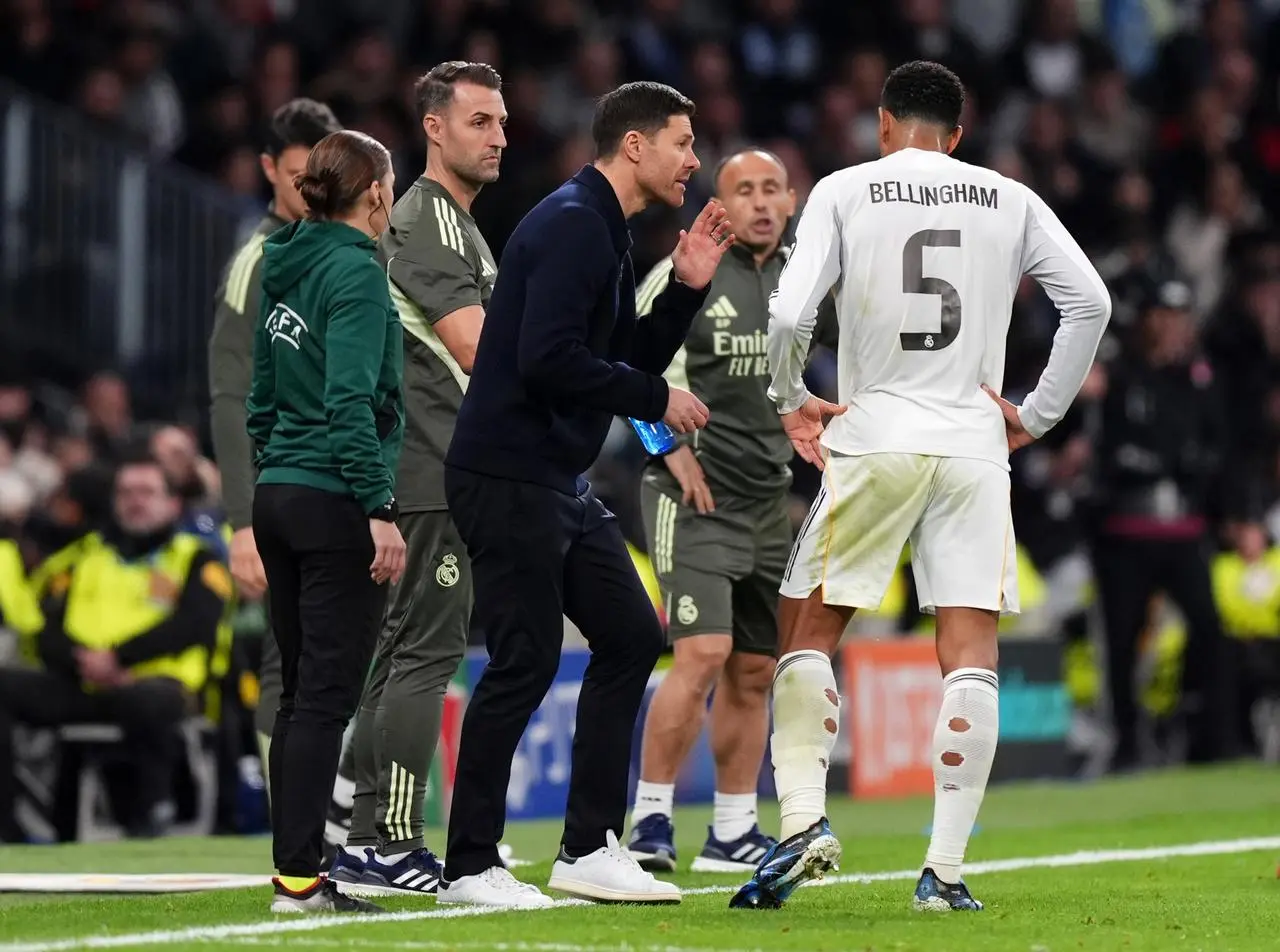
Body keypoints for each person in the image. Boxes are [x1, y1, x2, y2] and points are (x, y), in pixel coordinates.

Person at [729, 61, 1111, 912]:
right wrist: (1035, 415)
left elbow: (790, 315)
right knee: (970, 654)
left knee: (806, 628)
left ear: (883, 125)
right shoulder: (1007, 197)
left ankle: (801, 825)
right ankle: (943, 872)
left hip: (877, 435)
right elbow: (1090, 302)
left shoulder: (846, 188)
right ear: (959, 136)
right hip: (974, 445)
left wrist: (791, 398)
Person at [439, 81, 734, 909]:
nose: (693, 159)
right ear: (633, 146)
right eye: (682, 141)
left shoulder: (601, 227)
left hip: (553, 475)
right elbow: (546, 359)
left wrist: (683, 287)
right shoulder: (574, 224)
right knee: (526, 660)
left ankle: (586, 847)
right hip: (508, 472)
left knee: (633, 636)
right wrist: (657, 401)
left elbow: (621, 352)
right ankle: (468, 866)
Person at [626, 148, 834, 873]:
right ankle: (649, 820)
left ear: (792, 197)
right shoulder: (688, 268)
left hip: (767, 504)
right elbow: (624, 362)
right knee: (703, 655)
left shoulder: (802, 283)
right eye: (744, 190)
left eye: (773, 188)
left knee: (753, 670)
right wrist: (662, 447)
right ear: (718, 204)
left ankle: (733, 831)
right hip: (695, 497)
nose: (762, 202)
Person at [329, 61, 506, 900]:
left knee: (403, 652)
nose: (498, 136)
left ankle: (365, 836)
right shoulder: (428, 220)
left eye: (501, 122)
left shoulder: (459, 224)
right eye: (479, 121)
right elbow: (477, 351)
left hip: (434, 464)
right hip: (434, 467)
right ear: (433, 128)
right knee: (425, 656)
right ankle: (390, 838)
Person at [246, 129, 408, 915]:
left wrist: (276, 467)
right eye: (392, 182)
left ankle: (296, 870)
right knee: (322, 698)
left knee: (296, 695)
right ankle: (301, 881)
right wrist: (379, 506)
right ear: (374, 191)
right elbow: (351, 403)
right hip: (333, 499)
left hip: (276, 491)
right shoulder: (357, 273)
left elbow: (261, 395)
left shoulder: (282, 262)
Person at [206, 99, 360, 850]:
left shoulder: (326, 251)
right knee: (290, 661)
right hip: (298, 490)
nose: (310, 191)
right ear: (270, 170)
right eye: (299, 176)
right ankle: (296, 824)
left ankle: (316, 816)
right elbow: (235, 395)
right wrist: (240, 517)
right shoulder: (260, 261)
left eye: (322, 177)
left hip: (322, 484)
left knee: (318, 658)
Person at [0, 451, 230, 841]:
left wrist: (119, 658)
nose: (134, 500)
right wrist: (84, 662)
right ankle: (7, 823)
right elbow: (45, 626)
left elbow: (194, 625)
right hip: (83, 681)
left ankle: (152, 813)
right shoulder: (82, 558)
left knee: (150, 702)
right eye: (125, 492)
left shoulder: (196, 559)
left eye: (146, 492)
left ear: (173, 503)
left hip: (160, 685)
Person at [1091, 279, 1235, 771]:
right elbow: (1108, 454)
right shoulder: (1118, 376)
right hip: (1127, 529)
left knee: (1211, 629)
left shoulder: (1198, 377)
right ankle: (1126, 742)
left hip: (1185, 529)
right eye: (1163, 315)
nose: (1173, 326)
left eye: (1180, 316)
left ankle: (1213, 736)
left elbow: (1219, 448)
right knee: (1121, 638)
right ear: (1147, 319)